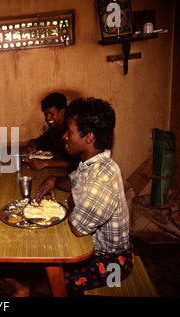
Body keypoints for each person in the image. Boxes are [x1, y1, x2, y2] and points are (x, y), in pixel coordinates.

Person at [35, 97, 133, 293]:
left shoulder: (102, 177)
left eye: (69, 132)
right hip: (96, 250)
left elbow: (77, 227)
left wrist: (73, 201)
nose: (64, 136)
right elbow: (73, 182)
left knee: (42, 286)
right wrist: (54, 179)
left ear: (88, 137)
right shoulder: (91, 163)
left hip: (112, 262)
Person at [27, 92, 79, 173]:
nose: (48, 118)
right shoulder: (54, 129)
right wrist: (33, 143)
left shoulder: (72, 131)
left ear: (62, 112)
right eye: (46, 114)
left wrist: (45, 163)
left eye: (51, 114)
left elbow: (74, 162)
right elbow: (41, 141)